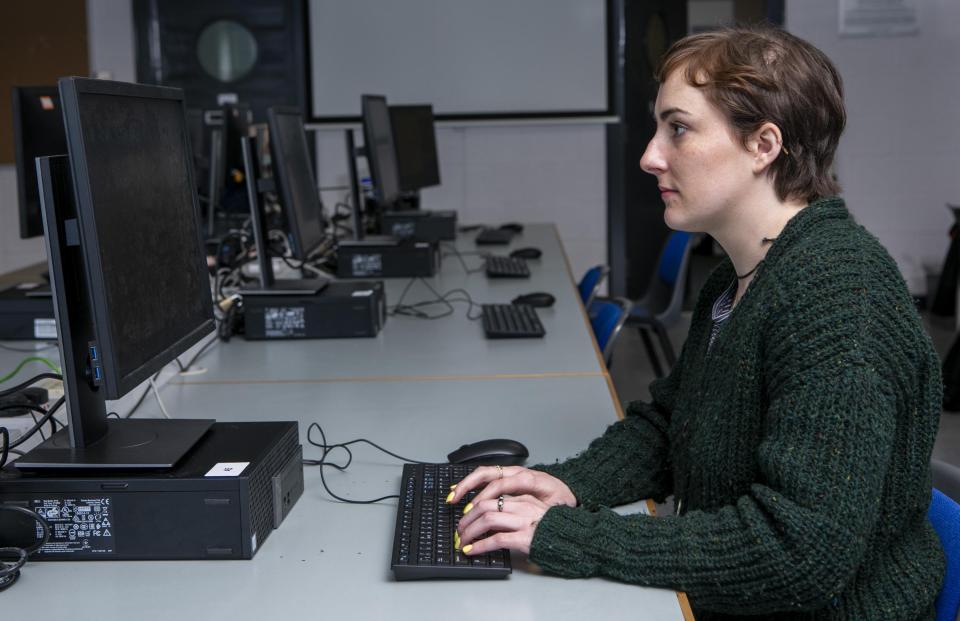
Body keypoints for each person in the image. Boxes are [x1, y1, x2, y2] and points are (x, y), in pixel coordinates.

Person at [447, 25, 945, 620]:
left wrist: (570, 536)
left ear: (764, 145)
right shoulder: (742, 273)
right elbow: (670, 424)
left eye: (678, 128)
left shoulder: (839, 301)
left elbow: (798, 552)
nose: (650, 155)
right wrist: (571, 486)